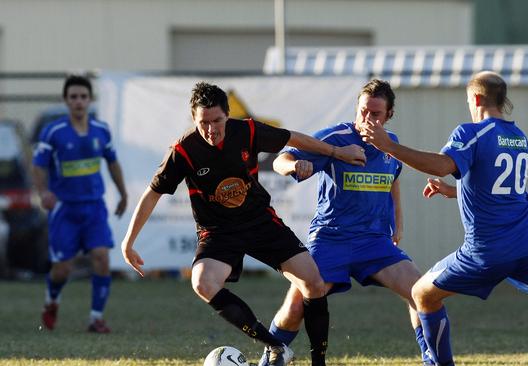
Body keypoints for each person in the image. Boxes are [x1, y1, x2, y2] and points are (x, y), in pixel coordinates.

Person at [359, 71, 528, 366]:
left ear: (475, 98)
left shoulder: (471, 132)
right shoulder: (519, 138)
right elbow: (499, 190)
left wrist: (390, 146)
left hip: (487, 251)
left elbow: (442, 164)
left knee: (421, 293)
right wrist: (453, 191)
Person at [120, 82, 366, 366]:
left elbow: (292, 138)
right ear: (193, 120)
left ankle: (318, 362)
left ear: (228, 115)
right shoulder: (183, 151)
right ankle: (275, 347)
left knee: (313, 282)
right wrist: (128, 242)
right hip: (219, 232)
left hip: (259, 222)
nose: (212, 129)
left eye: (217, 121)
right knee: (203, 282)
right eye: (204, 123)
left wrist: (336, 153)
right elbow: (153, 193)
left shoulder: (246, 130)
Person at [259, 79, 432, 366]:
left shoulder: (392, 145)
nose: (367, 119)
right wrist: (293, 165)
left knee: (421, 292)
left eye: (375, 114)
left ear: (388, 116)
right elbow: (281, 159)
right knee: (295, 306)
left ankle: (433, 360)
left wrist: (398, 222)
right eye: (363, 111)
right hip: (331, 239)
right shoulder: (337, 138)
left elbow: (393, 179)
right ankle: (270, 360)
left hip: (374, 242)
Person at [33, 74, 128, 333]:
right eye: (73, 97)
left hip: (94, 207)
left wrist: (123, 193)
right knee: (63, 269)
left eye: (83, 97)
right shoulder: (53, 132)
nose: (79, 101)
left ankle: (96, 318)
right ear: (66, 100)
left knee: (101, 257)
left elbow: (112, 161)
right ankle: (51, 301)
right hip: (65, 209)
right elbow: (38, 165)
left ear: (89, 100)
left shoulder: (101, 130)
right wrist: (43, 192)